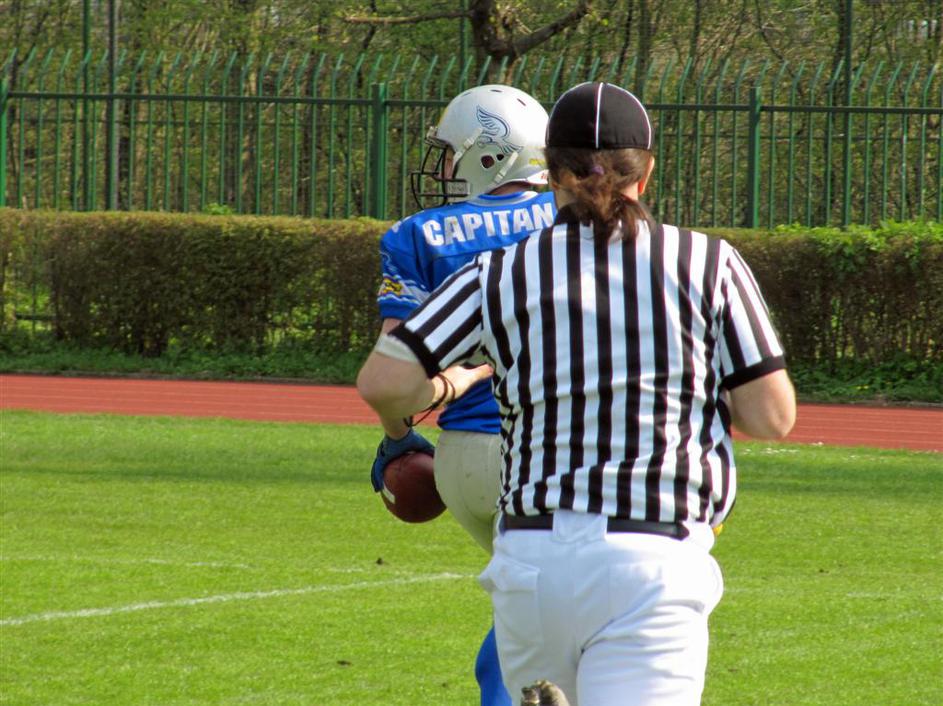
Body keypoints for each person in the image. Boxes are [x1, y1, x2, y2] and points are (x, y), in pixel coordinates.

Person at [357, 81, 796, 705]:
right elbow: (771, 416)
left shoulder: (501, 270)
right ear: (646, 171)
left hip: (534, 553)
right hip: (655, 549)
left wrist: (458, 379)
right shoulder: (707, 263)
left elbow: (384, 383)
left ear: (554, 170)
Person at [365, 84, 556, 706]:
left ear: (489, 153)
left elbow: (395, 374)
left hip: (462, 459)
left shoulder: (417, 235)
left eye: (450, 153)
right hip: (550, 451)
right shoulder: (577, 218)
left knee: (534, 612)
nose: (444, 169)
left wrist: (398, 438)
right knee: (553, 619)